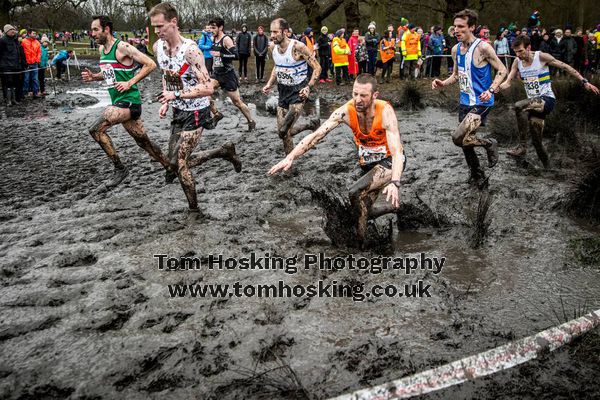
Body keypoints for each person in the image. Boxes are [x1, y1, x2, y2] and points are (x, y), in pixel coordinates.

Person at [268, 74, 405, 244]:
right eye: (355, 94)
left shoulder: (385, 112)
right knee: (361, 210)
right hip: (368, 163)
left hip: (390, 162)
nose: (357, 100)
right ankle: (397, 208)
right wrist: (291, 156)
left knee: (355, 192)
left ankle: (359, 246)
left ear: (374, 96)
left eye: (363, 95)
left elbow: (398, 152)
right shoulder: (346, 111)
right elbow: (317, 135)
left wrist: (395, 182)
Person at [151, 3, 241, 213]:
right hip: (178, 110)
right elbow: (168, 76)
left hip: (197, 111)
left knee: (180, 164)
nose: (157, 31)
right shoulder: (158, 48)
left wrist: (177, 94)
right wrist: (167, 101)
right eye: (154, 27)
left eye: (160, 26)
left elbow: (208, 87)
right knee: (171, 164)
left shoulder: (190, 51)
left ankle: (194, 210)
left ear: (173, 22)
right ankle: (223, 151)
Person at [82, 15, 171, 189]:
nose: (92, 33)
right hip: (119, 102)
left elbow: (150, 64)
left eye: (95, 30)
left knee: (95, 129)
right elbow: (111, 73)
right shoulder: (102, 50)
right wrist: (94, 77)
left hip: (129, 103)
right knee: (144, 142)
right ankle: (170, 167)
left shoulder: (122, 47)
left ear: (106, 29)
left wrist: (130, 82)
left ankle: (120, 168)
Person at [499, 35, 599, 168]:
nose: (518, 55)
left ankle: (522, 146)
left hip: (546, 100)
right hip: (533, 105)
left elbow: (565, 67)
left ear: (529, 47)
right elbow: (508, 82)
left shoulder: (541, 57)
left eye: (521, 51)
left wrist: (584, 81)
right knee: (537, 143)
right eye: (516, 52)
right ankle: (548, 169)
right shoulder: (517, 62)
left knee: (518, 106)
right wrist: (496, 88)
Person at [432, 9, 505, 187]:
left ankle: (489, 143)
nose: (456, 30)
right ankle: (477, 175)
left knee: (458, 137)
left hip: (482, 102)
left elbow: (502, 70)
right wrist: (443, 83)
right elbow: (457, 75)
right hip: (465, 102)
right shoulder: (456, 49)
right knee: (466, 143)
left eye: (461, 27)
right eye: (455, 26)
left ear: (472, 27)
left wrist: (492, 89)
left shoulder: (483, 48)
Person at [261, 18, 321, 154]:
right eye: (271, 32)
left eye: (275, 32)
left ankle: (309, 125)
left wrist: (308, 87)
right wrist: (269, 84)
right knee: (283, 133)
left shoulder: (297, 47)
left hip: (298, 91)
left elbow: (317, 67)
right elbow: (277, 67)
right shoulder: (272, 47)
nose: (272, 35)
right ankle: (289, 161)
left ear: (286, 32)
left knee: (283, 130)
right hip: (283, 91)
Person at [208, 17, 256, 131]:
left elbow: (236, 56)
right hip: (217, 74)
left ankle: (251, 121)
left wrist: (221, 55)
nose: (211, 30)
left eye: (214, 28)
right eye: (211, 27)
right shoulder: (212, 38)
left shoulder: (226, 39)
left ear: (221, 27)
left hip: (228, 75)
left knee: (237, 102)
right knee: (205, 92)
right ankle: (216, 114)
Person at [0, 25, 22, 106]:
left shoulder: (15, 40)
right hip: (6, 66)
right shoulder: (2, 40)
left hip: (15, 65)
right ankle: (8, 100)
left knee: (15, 83)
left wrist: (19, 64)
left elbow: (17, 53)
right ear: (6, 31)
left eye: (13, 29)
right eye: (11, 30)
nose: (13, 31)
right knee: (8, 83)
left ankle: (14, 99)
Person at [21, 29, 41, 98]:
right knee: (26, 79)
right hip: (27, 63)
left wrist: (37, 60)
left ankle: (36, 92)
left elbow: (39, 52)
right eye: (33, 33)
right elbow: (21, 52)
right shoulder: (23, 42)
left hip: (35, 63)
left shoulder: (37, 42)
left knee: (35, 79)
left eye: (35, 33)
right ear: (29, 34)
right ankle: (25, 93)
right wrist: (24, 62)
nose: (35, 35)